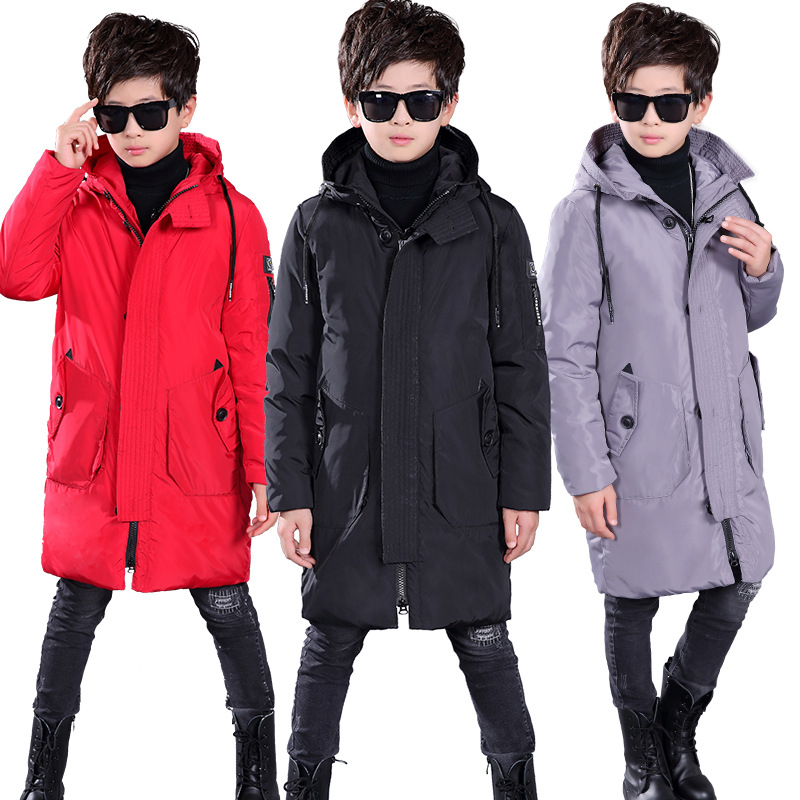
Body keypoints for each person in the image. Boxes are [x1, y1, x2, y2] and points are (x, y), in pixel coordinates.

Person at [264, 1, 550, 797]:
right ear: (350, 100)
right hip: (346, 485)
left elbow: (522, 366)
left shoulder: (494, 225)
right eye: (380, 99)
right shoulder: (315, 224)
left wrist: (524, 489)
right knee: (327, 645)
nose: (400, 118)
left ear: (449, 104)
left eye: (420, 100)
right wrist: (290, 492)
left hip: (461, 482)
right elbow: (286, 368)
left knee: (486, 643)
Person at [0, 13, 279, 800]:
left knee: (228, 608)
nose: (130, 131)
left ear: (186, 109)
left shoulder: (233, 215)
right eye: (113, 114)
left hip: (195, 452)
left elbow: (253, 349)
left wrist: (267, 467)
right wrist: (56, 169)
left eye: (149, 113)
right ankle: (40, 779)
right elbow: (17, 276)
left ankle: (258, 779)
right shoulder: (77, 198)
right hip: (93, 448)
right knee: (72, 612)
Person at [540, 4, 783, 799]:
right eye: (631, 102)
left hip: (725, 436)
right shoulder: (586, 213)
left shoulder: (729, 195)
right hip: (633, 445)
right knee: (630, 598)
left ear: (700, 103)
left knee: (742, 575)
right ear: (611, 97)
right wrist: (585, 472)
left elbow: (749, 314)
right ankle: (641, 759)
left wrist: (766, 267)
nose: (650, 119)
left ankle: (676, 724)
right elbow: (564, 353)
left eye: (670, 103)